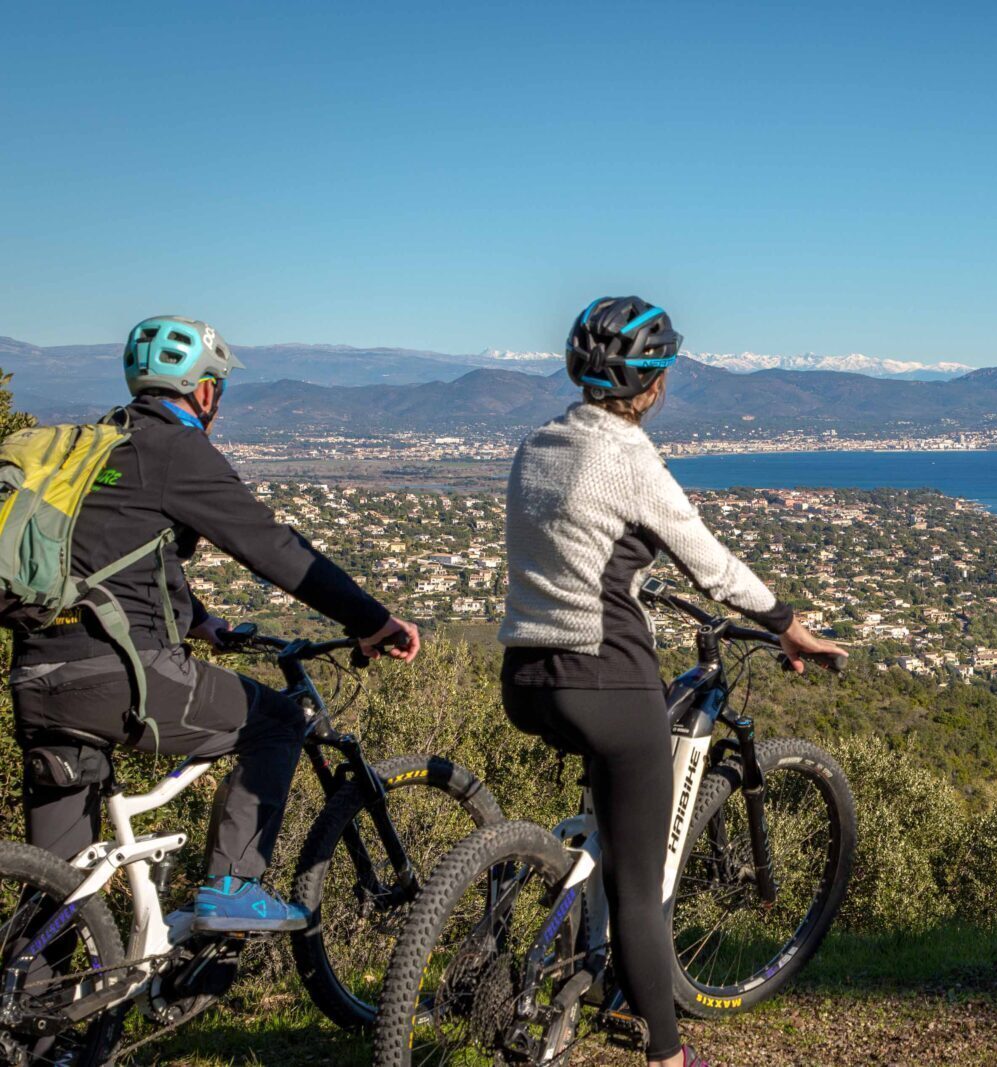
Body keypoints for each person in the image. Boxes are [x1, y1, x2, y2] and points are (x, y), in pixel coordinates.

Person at [500, 296, 845, 1067]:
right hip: (604, 679)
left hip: (524, 675)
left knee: (606, 825)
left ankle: (568, 950)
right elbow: (711, 563)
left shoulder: (538, 442)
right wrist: (789, 624)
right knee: (642, 885)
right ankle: (666, 1053)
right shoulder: (626, 457)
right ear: (652, 385)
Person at [8, 315, 420, 933]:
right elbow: (273, 548)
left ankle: (44, 1019)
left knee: (58, 892)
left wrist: (201, 622)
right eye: (218, 388)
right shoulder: (175, 449)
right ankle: (234, 886)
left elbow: (119, 556)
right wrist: (374, 620)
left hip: (38, 673)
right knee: (279, 721)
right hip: (122, 675)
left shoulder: (101, 445)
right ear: (204, 391)